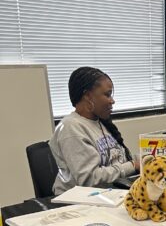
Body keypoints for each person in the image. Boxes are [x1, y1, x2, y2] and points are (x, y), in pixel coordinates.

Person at [49, 66, 139, 195]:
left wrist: (145, 160)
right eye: (107, 94)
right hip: (77, 201)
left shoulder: (101, 122)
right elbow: (89, 180)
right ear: (88, 96)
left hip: (108, 192)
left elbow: (118, 161)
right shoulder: (71, 128)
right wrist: (133, 166)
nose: (112, 101)